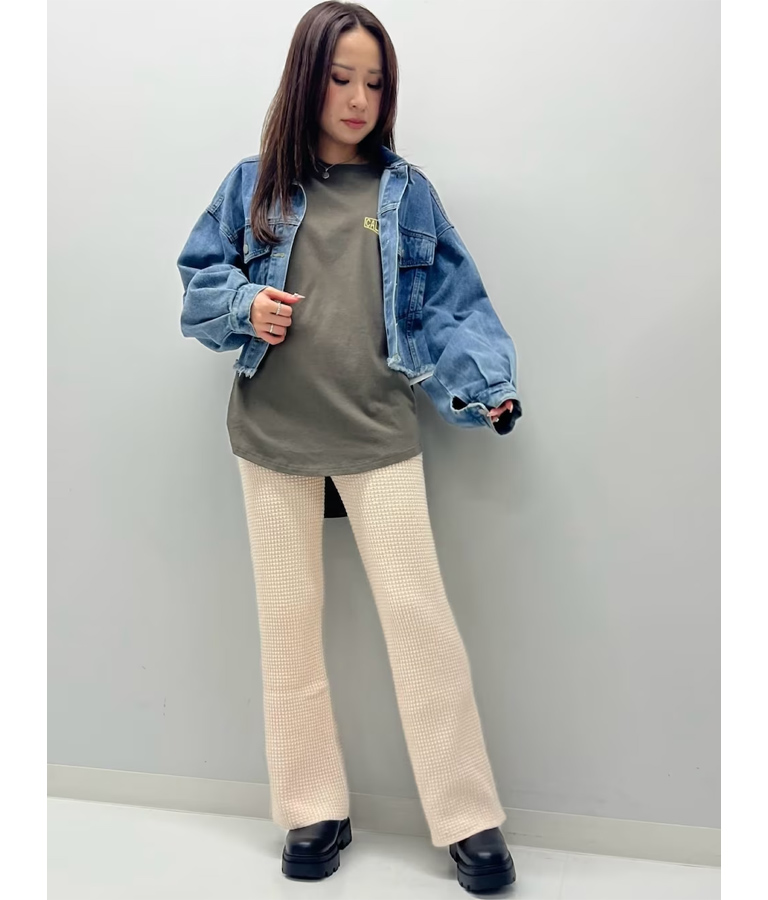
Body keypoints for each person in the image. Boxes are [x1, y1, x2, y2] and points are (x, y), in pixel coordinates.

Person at [176, 1, 522, 892]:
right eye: (341, 78)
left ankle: (467, 816)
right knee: (287, 628)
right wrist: (243, 306)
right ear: (307, 79)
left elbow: (452, 305)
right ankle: (312, 808)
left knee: (421, 623)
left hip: (377, 432)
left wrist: (486, 386)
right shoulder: (253, 186)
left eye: (374, 81)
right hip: (271, 435)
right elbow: (199, 281)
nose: (359, 98)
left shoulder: (406, 195)